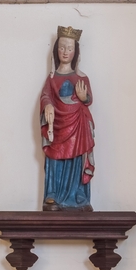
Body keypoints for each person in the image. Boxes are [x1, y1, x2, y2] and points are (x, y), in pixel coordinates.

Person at [40, 26, 95, 211]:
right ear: (56, 50)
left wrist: (84, 97)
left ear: (75, 52)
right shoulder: (52, 78)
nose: (65, 52)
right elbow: (46, 95)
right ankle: (52, 194)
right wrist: (48, 105)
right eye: (62, 47)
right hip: (57, 124)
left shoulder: (82, 77)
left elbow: (89, 99)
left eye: (69, 48)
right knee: (55, 154)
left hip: (78, 123)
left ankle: (79, 194)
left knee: (77, 155)